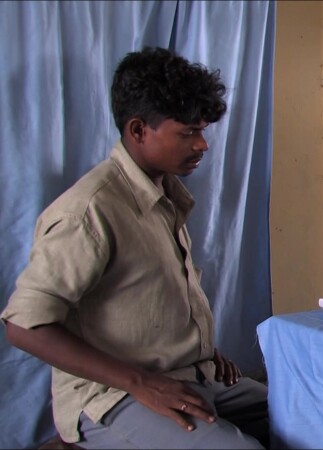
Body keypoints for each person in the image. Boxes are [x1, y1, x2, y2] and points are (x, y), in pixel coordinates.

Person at [1, 47, 269, 448]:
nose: (203, 146)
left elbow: (146, 302)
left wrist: (204, 353)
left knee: (314, 413)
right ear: (139, 129)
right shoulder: (89, 210)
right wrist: (142, 383)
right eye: (188, 132)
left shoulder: (165, 199)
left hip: (191, 377)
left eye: (202, 130)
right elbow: (24, 326)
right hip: (114, 397)